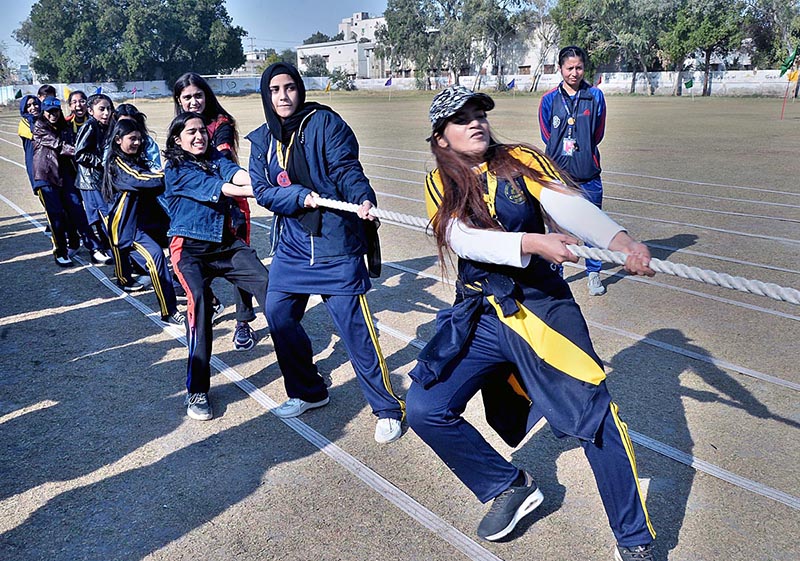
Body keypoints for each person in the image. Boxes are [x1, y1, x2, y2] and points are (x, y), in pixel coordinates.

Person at [407, 86, 656, 561]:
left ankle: (634, 541)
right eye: (462, 119)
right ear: (441, 139)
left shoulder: (519, 158)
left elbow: (567, 205)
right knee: (424, 406)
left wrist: (621, 240)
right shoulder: (439, 181)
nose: (476, 122)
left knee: (594, 417)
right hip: (480, 314)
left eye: (479, 113)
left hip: (541, 308)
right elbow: (463, 239)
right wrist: (533, 244)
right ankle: (509, 485)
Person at [247, 62, 405, 444]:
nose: (283, 96)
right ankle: (308, 391)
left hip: (335, 245)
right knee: (278, 315)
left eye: (289, 88)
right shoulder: (262, 140)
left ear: (299, 89)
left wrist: (362, 198)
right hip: (292, 247)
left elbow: (347, 169)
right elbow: (263, 190)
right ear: (267, 96)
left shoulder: (325, 124)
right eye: (274, 90)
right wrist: (299, 196)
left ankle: (387, 408)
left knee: (355, 332)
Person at [163, 112, 269, 421]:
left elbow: (235, 175)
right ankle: (197, 390)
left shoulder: (215, 157)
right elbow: (225, 189)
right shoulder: (176, 169)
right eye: (191, 132)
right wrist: (265, 191)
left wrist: (266, 181)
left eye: (202, 131)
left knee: (271, 289)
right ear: (177, 140)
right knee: (198, 305)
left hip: (226, 245)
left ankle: (301, 371)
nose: (199, 136)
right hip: (190, 250)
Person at [173, 72, 256, 350]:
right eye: (187, 97)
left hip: (230, 200)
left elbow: (224, 163)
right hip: (201, 209)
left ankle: (243, 322)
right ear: (179, 101)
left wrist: (260, 186)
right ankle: (204, 307)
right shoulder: (180, 131)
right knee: (197, 272)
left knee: (242, 261)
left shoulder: (220, 124)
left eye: (198, 95)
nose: (194, 101)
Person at [539, 45, 608, 296]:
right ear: (560, 69)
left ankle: (593, 273)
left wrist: (582, 151)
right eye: (569, 68)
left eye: (579, 67)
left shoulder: (595, 96)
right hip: (558, 175)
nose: (574, 73)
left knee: (593, 226)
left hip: (588, 174)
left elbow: (597, 133)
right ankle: (556, 273)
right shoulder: (549, 100)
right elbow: (547, 134)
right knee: (557, 227)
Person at [102, 118, 183, 326]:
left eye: (139, 138)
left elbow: (151, 179)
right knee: (155, 258)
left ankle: (202, 296)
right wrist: (169, 175)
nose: (137, 143)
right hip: (129, 227)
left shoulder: (136, 158)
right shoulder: (117, 163)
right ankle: (169, 311)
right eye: (132, 139)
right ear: (118, 140)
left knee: (186, 243)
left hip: (150, 223)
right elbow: (139, 179)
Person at [33, 96, 106, 267]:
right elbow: (58, 145)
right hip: (47, 176)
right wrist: (79, 152)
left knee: (78, 211)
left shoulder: (65, 125)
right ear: (44, 111)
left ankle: (94, 248)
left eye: (56, 111)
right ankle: (61, 251)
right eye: (49, 111)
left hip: (65, 174)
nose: (53, 115)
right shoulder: (39, 126)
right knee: (56, 216)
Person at [74, 93, 115, 264]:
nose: (106, 113)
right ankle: (101, 249)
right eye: (102, 109)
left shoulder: (106, 126)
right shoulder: (90, 126)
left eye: (109, 109)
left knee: (106, 215)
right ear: (90, 111)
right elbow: (80, 153)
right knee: (100, 217)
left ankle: (107, 248)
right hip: (90, 181)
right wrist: (102, 162)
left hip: (99, 179)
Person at [18, 95, 41, 191]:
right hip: (35, 165)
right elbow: (37, 136)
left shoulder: (44, 118)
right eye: (29, 106)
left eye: (35, 104)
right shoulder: (24, 123)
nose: (33, 107)